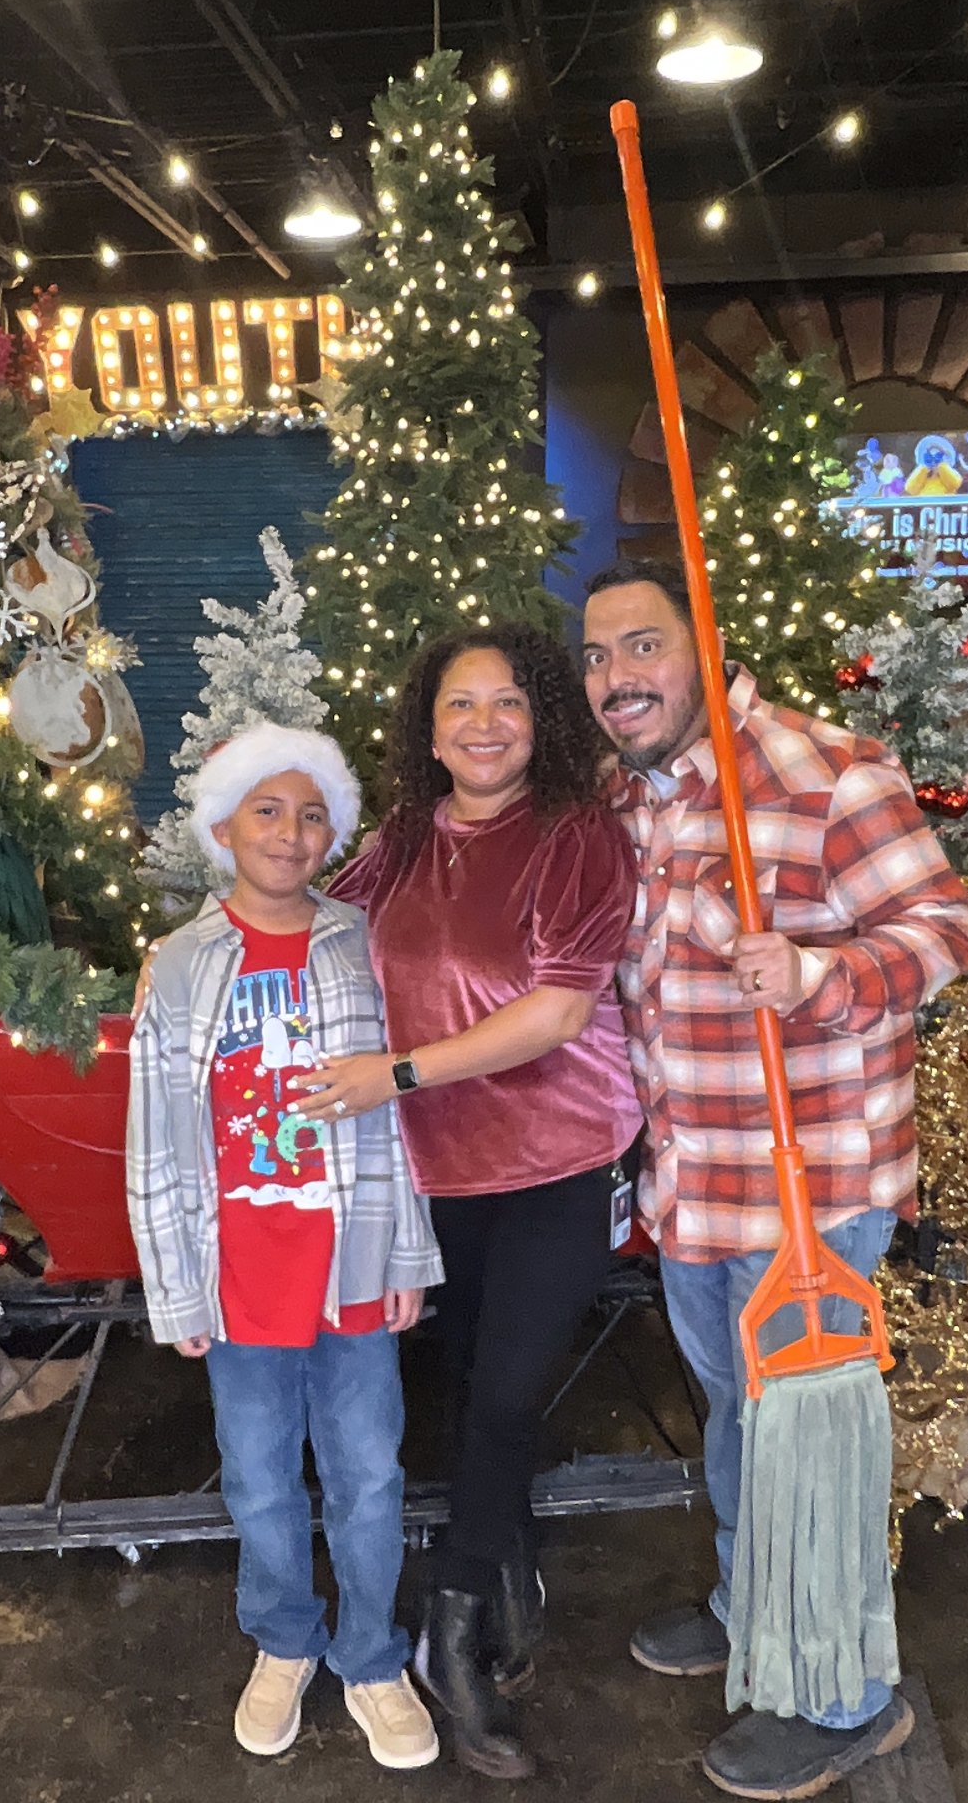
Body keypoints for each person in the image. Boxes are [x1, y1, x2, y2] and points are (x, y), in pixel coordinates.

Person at [581, 558, 968, 1801]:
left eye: (641, 646)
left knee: (811, 1440)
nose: (614, 678)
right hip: (692, 1182)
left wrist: (817, 976)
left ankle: (843, 1697)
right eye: (594, 657)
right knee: (736, 1419)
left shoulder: (821, 772)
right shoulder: (624, 797)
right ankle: (754, 1604)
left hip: (810, 1188)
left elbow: (941, 933)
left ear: (705, 651)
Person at [293, 623, 643, 1780]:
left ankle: (446, 1635)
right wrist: (192, 948)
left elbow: (556, 1012)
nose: (483, 724)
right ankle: (509, 1561)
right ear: (429, 730)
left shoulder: (576, 836)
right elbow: (309, 927)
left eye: (507, 702)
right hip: (434, 1173)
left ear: (540, 719)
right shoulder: (401, 839)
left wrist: (391, 1074)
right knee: (472, 1384)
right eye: (459, 704)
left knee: (502, 1394)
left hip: (554, 1160)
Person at [126, 721, 444, 1773]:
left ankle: (371, 1654)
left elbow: (395, 1116)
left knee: (368, 1475)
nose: (289, 832)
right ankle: (283, 1638)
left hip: (351, 1261)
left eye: (312, 815)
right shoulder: (182, 964)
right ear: (223, 826)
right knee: (259, 1478)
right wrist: (176, 1289)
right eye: (266, 809)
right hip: (239, 1278)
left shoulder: (361, 943)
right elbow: (156, 1136)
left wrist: (407, 1255)